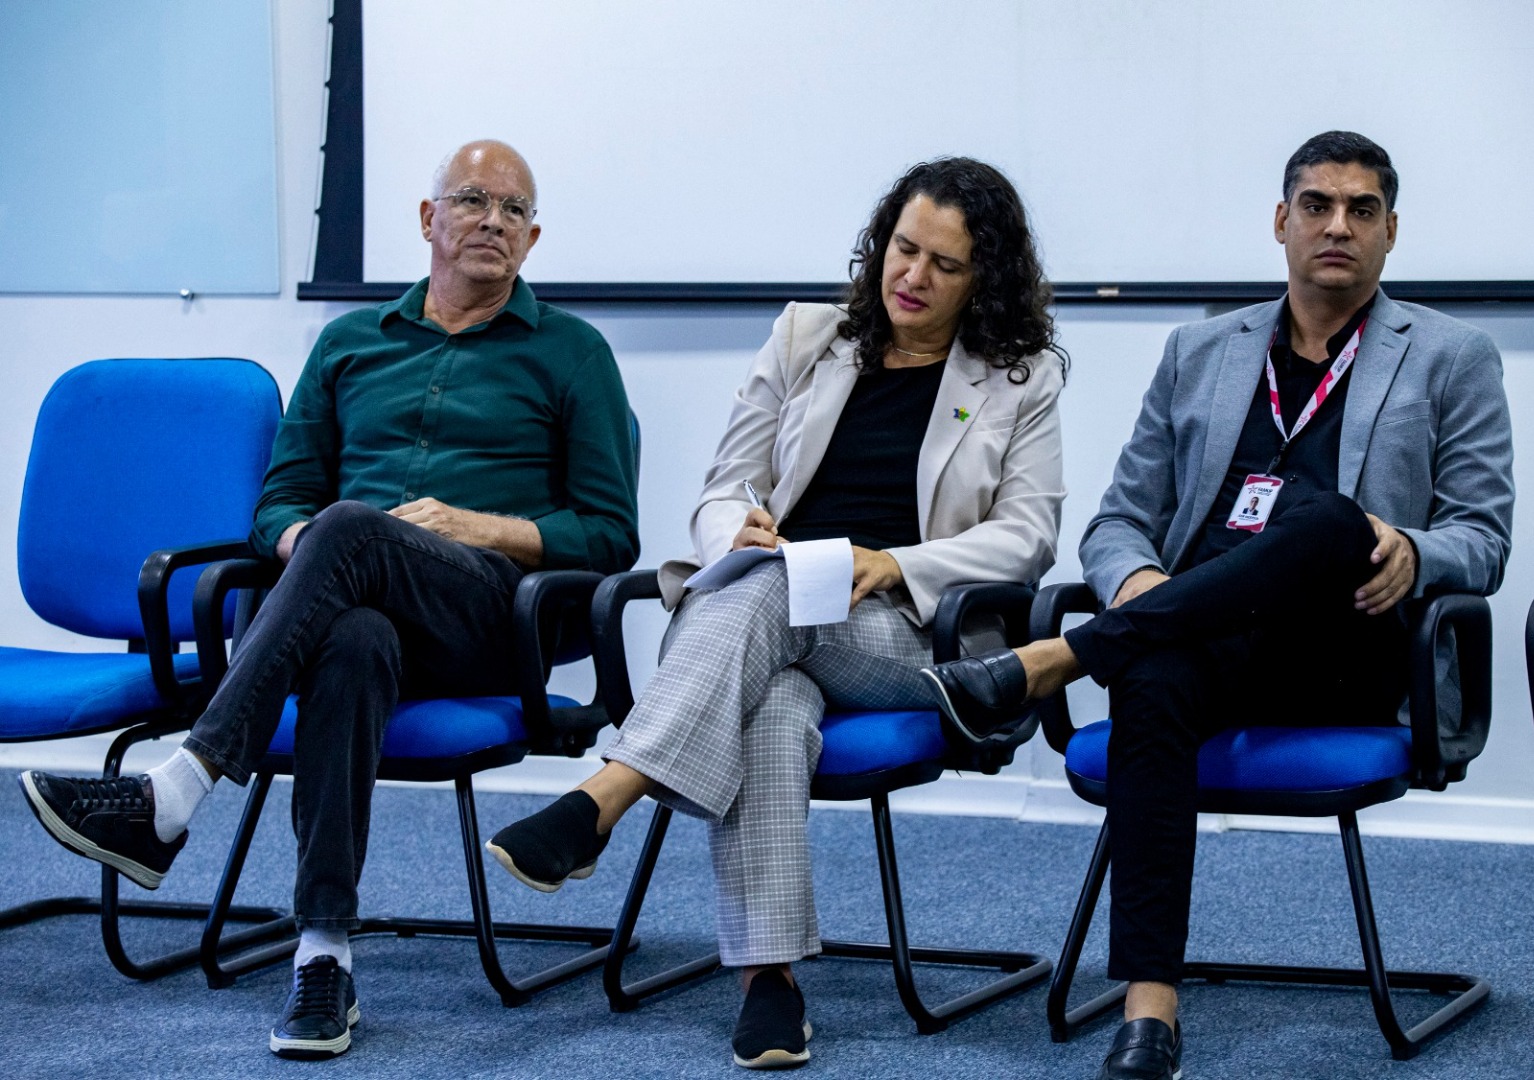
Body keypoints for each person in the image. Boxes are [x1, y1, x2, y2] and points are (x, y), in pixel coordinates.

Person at [18, 140, 640, 1059]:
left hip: (493, 615)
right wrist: (307, 549)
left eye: (514, 211)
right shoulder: (350, 343)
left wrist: (483, 528)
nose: (493, 222)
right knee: (349, 635)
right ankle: (324, 954)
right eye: (472, 200)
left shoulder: (574, 353)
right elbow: (280, 501)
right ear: (427, 221)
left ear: (534, 237)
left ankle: (178, 790)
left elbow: (609, 534)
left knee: (349, 527)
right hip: (361, 606)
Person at [922, 131, 1514, 1080]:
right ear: (1281, 222)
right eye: (1316, 205)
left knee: (1331, 526)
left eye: (1362, 211)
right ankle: (1150, 1013)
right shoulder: (1200, 351)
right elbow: (1119, 522)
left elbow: (1483, 539)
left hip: (1347, 647)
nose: (1337, 226)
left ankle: (1062, 657)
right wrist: (1139, 586)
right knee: (1153, 674)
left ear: (1391, 233)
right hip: (1197, 639)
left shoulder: (1452, 355)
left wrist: (1412, 546)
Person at [486, 157, 1066, 1068]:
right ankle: (769, 981)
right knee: (774, 692)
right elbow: (724, 487)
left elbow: (1026, 538)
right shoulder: (808, 336)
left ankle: (609, 793)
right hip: (769, 622)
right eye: (903, 250)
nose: (912, 277)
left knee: (775, 595)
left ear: (983, 279)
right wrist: (740, 529)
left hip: (913, 643)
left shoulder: (1016, 379)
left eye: (944, 266)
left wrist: (894, 563)